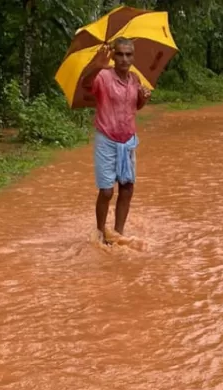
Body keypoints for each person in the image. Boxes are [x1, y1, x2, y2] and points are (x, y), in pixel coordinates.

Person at [82, 38, 151, 244]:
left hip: (128, 140)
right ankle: (100, 232)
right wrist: (96, 66)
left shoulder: (135, 79)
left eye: (128, 54)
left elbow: (135, 106)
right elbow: (85, 85)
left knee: (127, 188)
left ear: (133, 57)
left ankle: (118, 233)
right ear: (113, 56)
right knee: (106, 190)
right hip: (106, 139)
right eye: (119, 54)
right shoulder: (103, 76)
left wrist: (143, 98)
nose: (124, 58)